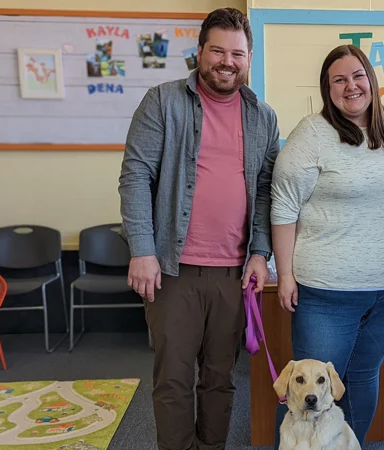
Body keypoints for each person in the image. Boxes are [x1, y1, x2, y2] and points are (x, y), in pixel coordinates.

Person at [118, 8, 279, 450]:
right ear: (200, 52)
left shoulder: (263, 117)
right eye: (218, 51)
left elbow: (265, 190)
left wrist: (260, 252)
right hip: (172, 269)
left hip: (234, 272)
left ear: (249, 58)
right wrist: (142, 250)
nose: (227, 62)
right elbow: (135, 176)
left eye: (237, 54)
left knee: (220, 379)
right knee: (173, 379)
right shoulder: (162, 101)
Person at [270, 44, 384, 447]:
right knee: (306, 390)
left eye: (358, 76)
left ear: (371, 81)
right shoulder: (312, 134)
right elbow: (284, 205)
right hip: (327, 292)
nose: (351, 86)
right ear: (327, 89)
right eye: (339, 80)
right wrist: (285, 274)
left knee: (362, 376)